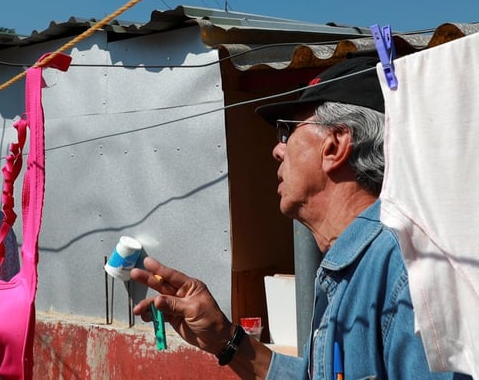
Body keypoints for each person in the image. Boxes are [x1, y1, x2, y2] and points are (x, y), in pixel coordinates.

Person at [130, 56, 472, 380]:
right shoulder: (352, 268)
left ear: (335, 146)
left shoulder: (407, 269)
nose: (277, 150)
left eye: (287, 131)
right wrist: (225, 339)